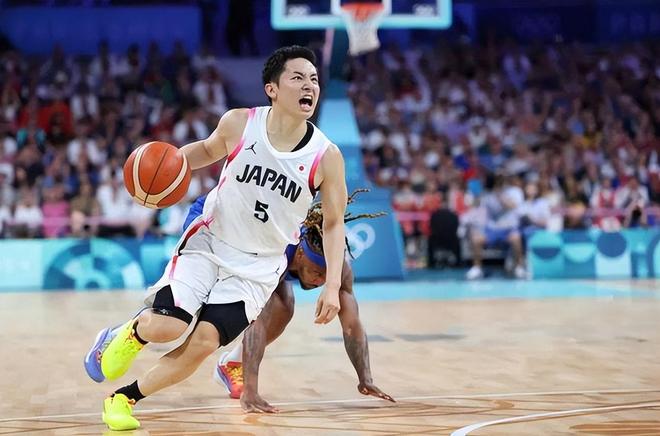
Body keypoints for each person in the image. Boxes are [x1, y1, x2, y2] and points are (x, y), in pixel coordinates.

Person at [84, 45, 348, 431]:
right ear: (272, 89)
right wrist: (159, 173)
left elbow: (335, 223)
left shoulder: (327, 156)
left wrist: (332, 286)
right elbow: (207, 150)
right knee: (168, 327)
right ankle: (126, 334)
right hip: (210, 242)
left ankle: (122, 398)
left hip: (258, 268)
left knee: (205, 343)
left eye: (314, 79)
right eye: (297, 78)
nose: (309, 85)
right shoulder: (240, 123)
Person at [184, 190, 393, 412]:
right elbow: (258, 321)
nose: (320, 281)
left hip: (251, 235)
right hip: (213, 222)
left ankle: (232, 363)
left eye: (325, 276)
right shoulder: (278, 249)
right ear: (300, 255)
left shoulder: (338, 269)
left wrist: (365, 379)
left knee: (285, 305)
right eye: (316, 272)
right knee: (201, 313)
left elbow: (351, 324)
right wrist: (250, 390)